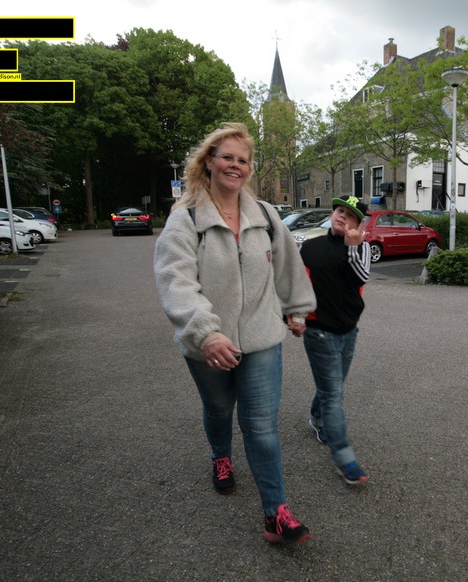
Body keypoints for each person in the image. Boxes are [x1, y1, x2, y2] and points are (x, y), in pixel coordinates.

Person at [153, 122, 317, 546]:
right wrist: (206, 333)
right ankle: (221, 457)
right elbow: (176, 283)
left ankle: (276, 513)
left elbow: (288, 265)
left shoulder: (265, 215)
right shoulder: (186, 219)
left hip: (262, 338)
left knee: (261, 425)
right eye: (227, 157)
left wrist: (296, 308)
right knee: (219, 408)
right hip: (208, 345)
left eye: (243, 160)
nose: (235, 165)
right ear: (209, 161)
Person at [299, 196, 371, 486]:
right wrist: (293, 315)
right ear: (332, 213)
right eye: (340, 210)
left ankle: (316, 417)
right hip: (319, 331)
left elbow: (361, 278)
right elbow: (296, 284)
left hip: (349, 330)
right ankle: (344, 458)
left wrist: (352, 248)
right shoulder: (310, 247)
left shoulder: (362, 248)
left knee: (334, 384)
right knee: (333, 394)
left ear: (358, 224)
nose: (342, 216)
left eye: (350, 215)